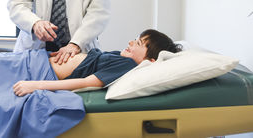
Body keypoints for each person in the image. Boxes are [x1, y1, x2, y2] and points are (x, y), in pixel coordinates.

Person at [13, 29, 183, 96]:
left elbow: (85, 82)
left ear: (150, 61)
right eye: (135, 39)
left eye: (137, 43)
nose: (130, 42)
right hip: (37, 59)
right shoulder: (123, 58)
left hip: (38, 71)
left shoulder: (128, 66)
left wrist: (35, 85)